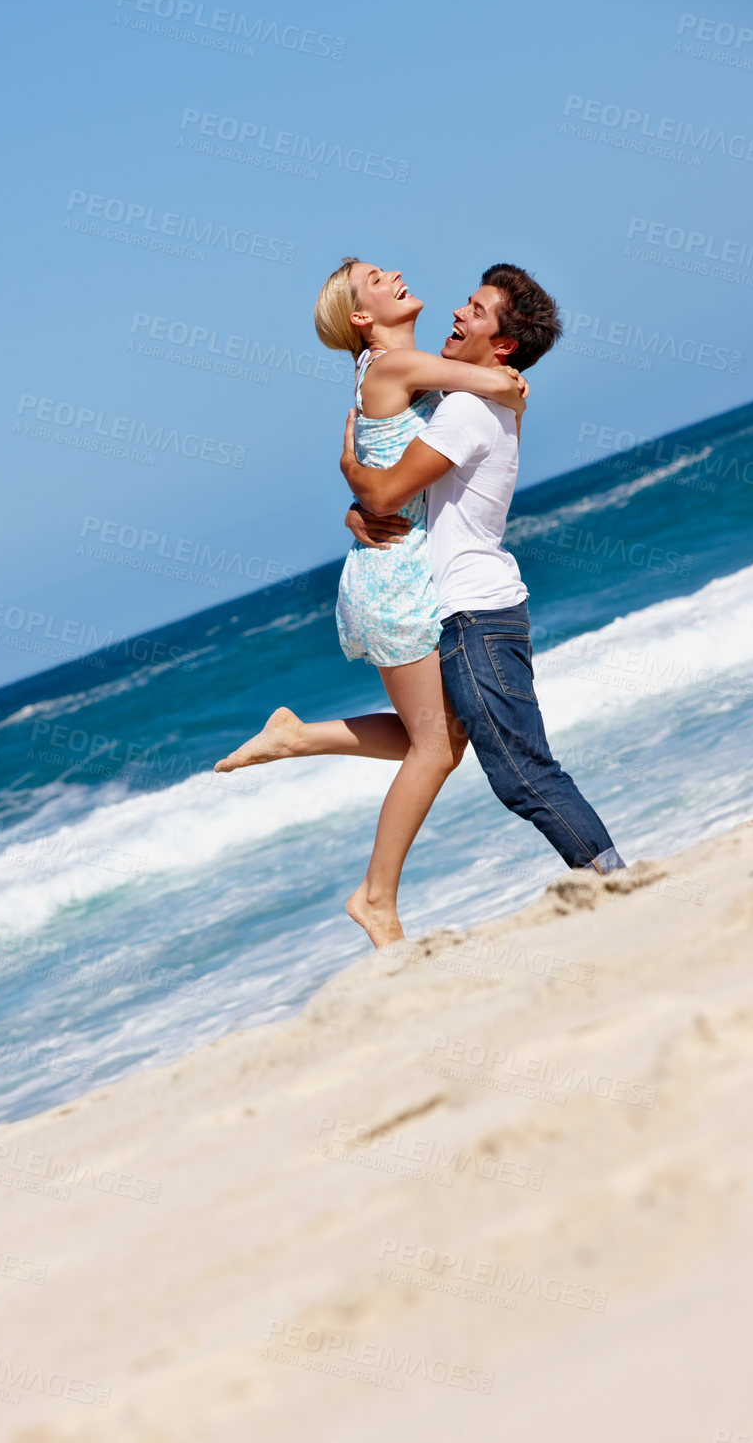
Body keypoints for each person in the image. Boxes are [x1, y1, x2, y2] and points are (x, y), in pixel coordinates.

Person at [215, 259, 529, 947]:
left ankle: (298, 737)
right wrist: (504, 376)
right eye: (375, 278)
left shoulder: (382, 374)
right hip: (394, 579)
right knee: (436, 750)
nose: (394, 274)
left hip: (387, 569)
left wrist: (357, 501)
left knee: (443, 738)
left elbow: (384, 467)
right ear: (362, 317)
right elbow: (495, 381)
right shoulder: (394, 365)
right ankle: (375, 897)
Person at [339, 264, 626, 891]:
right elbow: (407, 487)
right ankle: (298, 738)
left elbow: (387, 489)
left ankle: (610, 878)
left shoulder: (466, 410)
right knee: (447, 741)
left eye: (475, 310)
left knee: (520, 769)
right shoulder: (465, 399)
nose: (457, 313)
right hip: (478, 611)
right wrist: (357, 514)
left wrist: (355, 481)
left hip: (474, 615)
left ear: (502, 346)